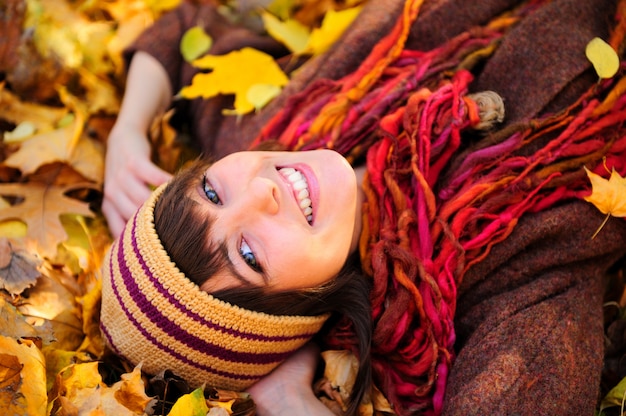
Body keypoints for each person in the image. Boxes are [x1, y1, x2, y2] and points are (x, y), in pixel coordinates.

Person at [100, 0, 626, 415]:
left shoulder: (279, 120)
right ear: (298, 314)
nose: (261, 193)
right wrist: (287, 400)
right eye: (249, 254)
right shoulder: (505, 282)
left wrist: (126, 135)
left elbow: (188, 28)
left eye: (212, 194)